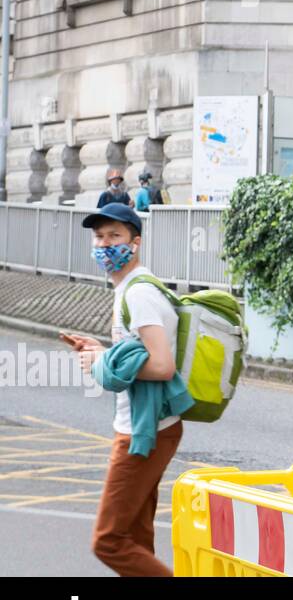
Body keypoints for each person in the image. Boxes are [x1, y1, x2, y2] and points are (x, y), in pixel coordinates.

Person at [61, 203, 185, 577]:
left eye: (114, 236)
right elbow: (136, 352)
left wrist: (101, 365)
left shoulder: (138, 294)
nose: (104, 244)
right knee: (135, 535)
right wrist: (102, 351)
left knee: (109, 541)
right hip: (151, 426)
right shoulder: (131, 289)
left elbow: (162, 366)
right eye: (99, 236)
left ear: (135, 243)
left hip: (142, 432)